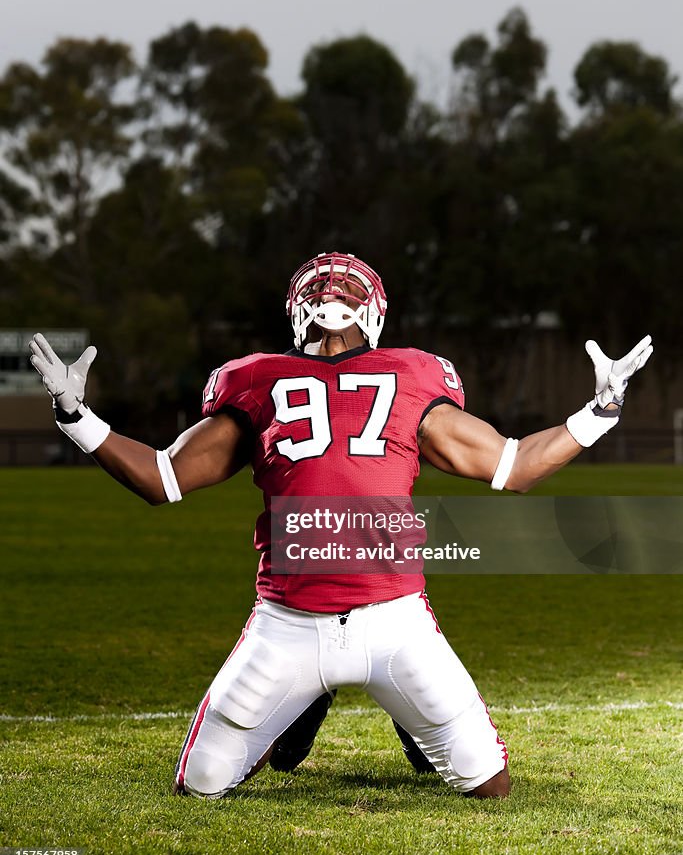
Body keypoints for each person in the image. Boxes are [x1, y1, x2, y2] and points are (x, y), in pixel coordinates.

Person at [29, 252, 653, 800]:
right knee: (203, 783)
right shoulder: (259, 380)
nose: (333, 299)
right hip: (287, 624)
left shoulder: (410, 378)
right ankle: (309, 695)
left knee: (486, 781)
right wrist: (75, 414)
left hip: (395, 620)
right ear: (298, 309)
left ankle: (386, 706)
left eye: (348, 291)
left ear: (374, 310)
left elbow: (512, 466)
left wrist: (601, 411)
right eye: (322, 290)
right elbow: (163, 478)